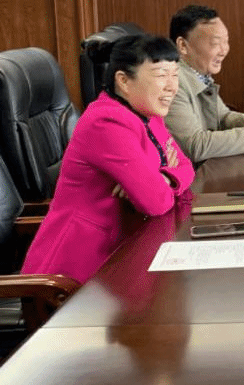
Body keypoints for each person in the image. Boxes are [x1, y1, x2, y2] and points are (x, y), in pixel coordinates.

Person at [20, 35, 195, 284]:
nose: (172, 86)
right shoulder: (106, 122)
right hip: (72, 275)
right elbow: (156, 202)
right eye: (161, 75)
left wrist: (164, 177)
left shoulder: (149, 114)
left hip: (119, 259)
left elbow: (187, 167)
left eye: (175, 74)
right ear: (123, 81)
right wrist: (155, 182)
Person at [165, 4, 244, 162]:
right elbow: (195, 146)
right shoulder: (172, 81)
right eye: (215, 43)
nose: (224, 50)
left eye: (226, 42)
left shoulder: (199, 75)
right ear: (183, 45)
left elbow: (223, 118)